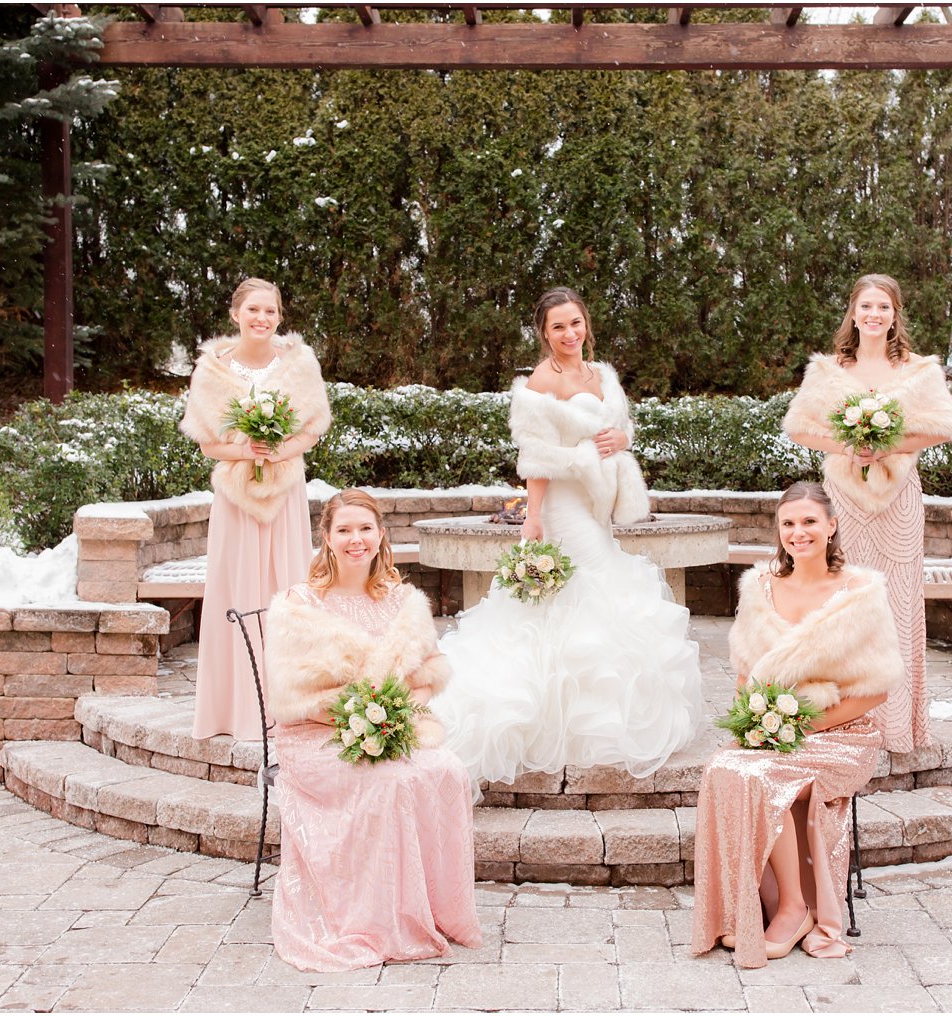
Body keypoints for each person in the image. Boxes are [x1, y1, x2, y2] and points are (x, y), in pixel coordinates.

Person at [431, 286, 703, 784]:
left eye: (575, 322)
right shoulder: (542, 379)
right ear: (544, 332)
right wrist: (533, 516)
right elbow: (534, 454)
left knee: (582, 594)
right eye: (558, 326)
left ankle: (589, 707)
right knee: (597, 583)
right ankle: (573, 718)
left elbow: (619, 430)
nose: (569, 334)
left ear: (586, 323)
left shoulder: (601, 375)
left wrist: (622, 439)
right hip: (562, 501)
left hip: (597, 501)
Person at [263, 490, 482, 971]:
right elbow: (293, 701)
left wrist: (397, 711)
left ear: (381, 534)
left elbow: (429, 671)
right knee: (387, 783)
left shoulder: (403, 600)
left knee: (447, 768)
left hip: (391, 725)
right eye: (343, 530)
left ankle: (433, 909)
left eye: (364, 528)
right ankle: (376, 917)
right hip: (316, 736)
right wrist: (356, 720)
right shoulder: (299, 604)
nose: (355, 539)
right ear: (326, 537)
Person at [692, 482, 904, 968]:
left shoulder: (860, 593)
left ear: (831, 526)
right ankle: (743, 908)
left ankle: (795, 907)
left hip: (843, 736)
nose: (798, 532)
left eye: (809, 521)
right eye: (788, 523)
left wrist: (803, 727)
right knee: (723, 768)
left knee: (763, 779)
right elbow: (747, 675)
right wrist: (760, 723)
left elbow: (876, 691)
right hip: (774, 732)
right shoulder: (759, 588)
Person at [781, 274, 952, 753]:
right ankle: (846, 718)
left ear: (895, 314)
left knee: (899, 603)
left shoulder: (919, 371)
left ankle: (898, 725)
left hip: (899, 500)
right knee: (846, 599)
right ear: (854, 313)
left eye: (883, 306)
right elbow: (799, 427)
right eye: (866, 306)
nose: (874, 314)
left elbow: (944, 427)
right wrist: (849, 445)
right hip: (844, 500)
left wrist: (885, 447)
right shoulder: (828, 371)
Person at [179, 278, 331, 741]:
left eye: (270, 311)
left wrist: (281, 449)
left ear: (279, 316)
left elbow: (313, 427)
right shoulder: (212, 371)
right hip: (236, 499)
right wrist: (248, 451)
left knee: (287, 587)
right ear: (236, 315)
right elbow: (207, 443)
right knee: (236, 590)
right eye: (253, 310)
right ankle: (236, 710)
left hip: (284, 493)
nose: (262, 319)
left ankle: (290, 702)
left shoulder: (298, 365)